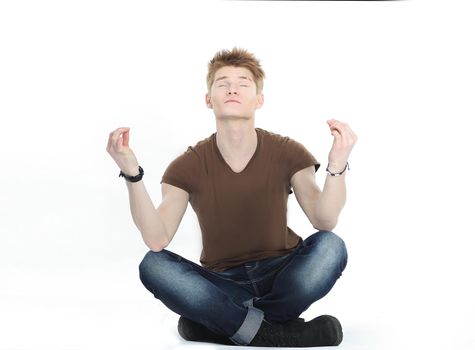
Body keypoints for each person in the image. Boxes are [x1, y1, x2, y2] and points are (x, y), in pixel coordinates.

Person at [106, 47, 357, 347]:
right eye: (222, 83)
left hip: (284, 275)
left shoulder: (288, 151)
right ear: (208, 99)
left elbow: (324, 219)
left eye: (243, 83)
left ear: (259, 99)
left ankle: (224, 326)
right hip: (224, 284)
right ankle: (275, 332)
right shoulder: (186, 165)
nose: (232, 88)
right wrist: (132, 174)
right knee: (153, 266)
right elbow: (157, 239)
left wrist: (337, 164)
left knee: (331, 246)